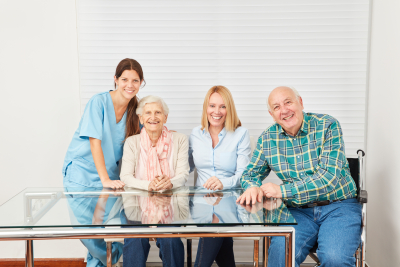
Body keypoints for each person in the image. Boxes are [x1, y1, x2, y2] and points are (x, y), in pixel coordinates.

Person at [237, 86, 362, 267]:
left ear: (300, 102)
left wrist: (281, 190)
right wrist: (252, 186)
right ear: (272, 114)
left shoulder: (328, 125)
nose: (284, 110)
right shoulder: (267, 138)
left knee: (335, 258)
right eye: (277, 107)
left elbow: (327, 178)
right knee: (280, 254)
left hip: (338, 206)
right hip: (298, 211)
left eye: (288, 102)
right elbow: (250, 174)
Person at [62, 58, 144, 267]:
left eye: (135, 80)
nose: (129, 85)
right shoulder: (98, 102)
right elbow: (94, 142)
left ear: (141, 82)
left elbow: (145, 140)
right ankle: (108, 260)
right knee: (88, 234)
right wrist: (105, 179)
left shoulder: (136, 110)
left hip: (111, 178)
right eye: (125, 79)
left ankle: (100, 263)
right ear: (115, 79)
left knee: (110, 228)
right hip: (82, 174)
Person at [120, 95, 189, 267]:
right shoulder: (132, 142)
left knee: (171, 242)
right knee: (135, 242)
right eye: (148, 113)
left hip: (171, 204)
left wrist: (170, 182)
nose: (153, 117)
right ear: (141, 118)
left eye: (158, 112)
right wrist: (148, 185)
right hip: (137, 205)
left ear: (165, 117)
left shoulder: (180, 139)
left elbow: (183, 174)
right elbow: (126, 177)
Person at [189, 85, 251, 267]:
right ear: (205, 108)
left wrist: (223, 183)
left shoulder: (241, 134)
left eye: (223, 106)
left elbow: (244, 175)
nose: (217, 112)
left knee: (215, 226)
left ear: (229, 109)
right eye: (212, 106)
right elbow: (184, 168)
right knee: (218, 233)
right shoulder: (195, 134)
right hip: (201, 202)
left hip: (231, 200)